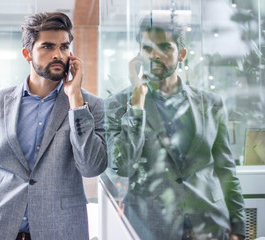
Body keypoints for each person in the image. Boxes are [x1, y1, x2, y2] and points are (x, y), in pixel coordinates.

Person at [0, 12, 107, 240]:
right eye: (47, 47)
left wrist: (75, 100)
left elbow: (91, 167)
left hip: (60, 229)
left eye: (64, 47)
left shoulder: (89, 106)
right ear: (27, 54)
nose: (58, 55)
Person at [105, 16, 246, 240]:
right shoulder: (118, 104)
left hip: (210, 225)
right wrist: (137, 105)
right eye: (147, 48)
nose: (154, 55)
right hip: (150, 228)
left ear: (181, 54)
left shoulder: (211, 103)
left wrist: (238, 229)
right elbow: (122, 166)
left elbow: (226, 170)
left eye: (164, 47)